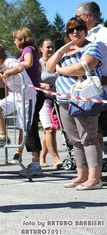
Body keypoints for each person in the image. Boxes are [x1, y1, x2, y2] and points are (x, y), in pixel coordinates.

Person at [46, 17, 103, 190]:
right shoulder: (66, 51)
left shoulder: (94, 46)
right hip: (64, 101)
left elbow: (83, 67)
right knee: (75, 140)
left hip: (83, 99)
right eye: (70, 30)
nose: (75, 32)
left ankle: (95, 178)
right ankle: (81, 175)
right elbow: (49, 68)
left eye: (78, 28)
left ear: (85, 29)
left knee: (89, 138)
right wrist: (63, 49)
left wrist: (60, 70)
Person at [0, 44, 37, 171]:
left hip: (26, 96)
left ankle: (18, 153)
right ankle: (4, 137)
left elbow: (20, 67)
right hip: (14, 95)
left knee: (22, 125)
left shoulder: (9, 61)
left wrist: (8, 71)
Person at [11, 27, 44, 177]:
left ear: (22, 39)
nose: (14, 41)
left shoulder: (28, 50)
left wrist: (12, 68)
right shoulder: (30, 50)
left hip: (32, 95)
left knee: (30, 128)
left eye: (16, 38)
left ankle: (36, 164)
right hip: (30, 95)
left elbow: (28, 63)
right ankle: (35, 162)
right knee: (28, 127)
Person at [75, 1, 107, 154]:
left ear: (86, 16)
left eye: (78, 16)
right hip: (92, 92)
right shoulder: (84, 36)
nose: (76, 20)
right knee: (96, 132)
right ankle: (101, 166)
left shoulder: (103, 34)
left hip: (104, 90)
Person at [38, 39, 63, 169]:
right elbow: (32, 80)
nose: (50, 49)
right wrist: (42, 84)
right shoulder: (38, 64)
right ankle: (56, 158)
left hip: (58, 100)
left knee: (51, 131)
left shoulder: (58, 62)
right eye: (47, 47)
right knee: (49, 129)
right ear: (41, 49)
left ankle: (42, 158)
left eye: (52, 47)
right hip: (44, 99)